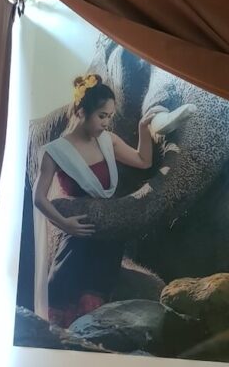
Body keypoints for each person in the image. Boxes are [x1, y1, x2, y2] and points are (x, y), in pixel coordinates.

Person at [33, 74, 168, 327]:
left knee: (95, 305)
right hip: (77, 236)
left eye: (109, 116)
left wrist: (143, 128)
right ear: (81, 112)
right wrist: (65, 224)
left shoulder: (109, 141)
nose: (106, 122)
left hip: (109, 236)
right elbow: (39, 198)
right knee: (61, 300)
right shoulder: (54, 152)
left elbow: (143, 161)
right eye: (101, 116)